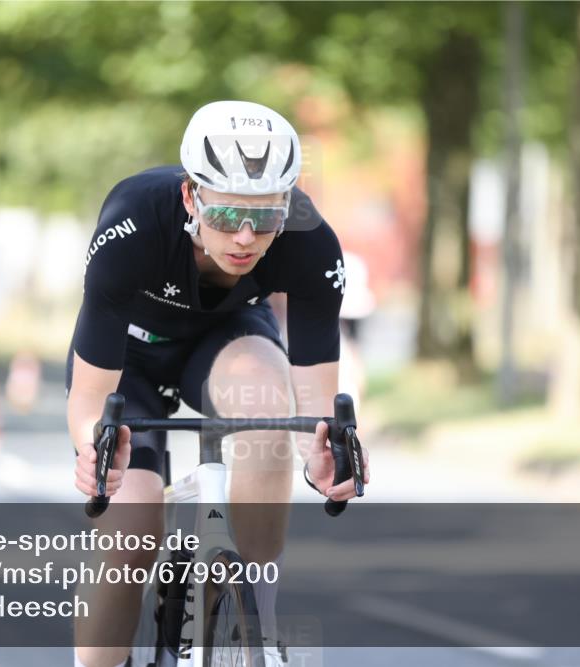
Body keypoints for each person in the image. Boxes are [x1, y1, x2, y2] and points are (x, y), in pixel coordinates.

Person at [66, 100, 371, 667]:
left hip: (227, 342)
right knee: (131, 533)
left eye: (267, 217)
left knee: (267, 403)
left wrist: (323, 454)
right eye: (227, 215)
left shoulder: (311, 243)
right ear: (191, 197)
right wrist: (93, 449)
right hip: (131, 359)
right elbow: (89, 397)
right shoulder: (133, 224)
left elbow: (314, 408)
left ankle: (254, 629)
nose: (246, 237)